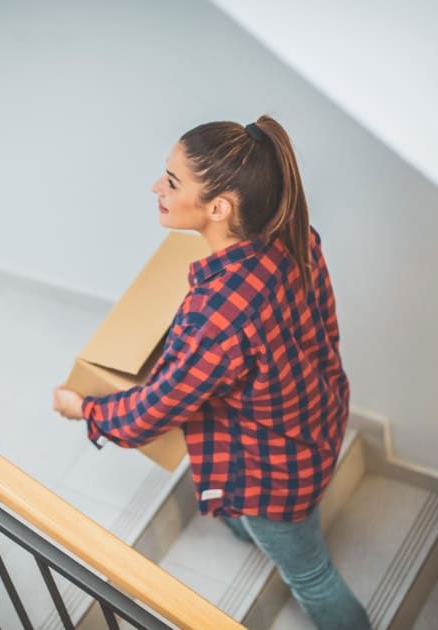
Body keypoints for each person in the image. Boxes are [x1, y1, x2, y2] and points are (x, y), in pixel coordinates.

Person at [52, 115, 370, 630]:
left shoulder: (215, 318)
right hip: (319, 420)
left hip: (272, 474)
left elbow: (150, 413)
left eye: (171, 181)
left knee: (312, 575)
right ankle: (251, 527)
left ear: (219, 207)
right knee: (271, 528)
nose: (156, 188)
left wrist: (84, 408)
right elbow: (325, 330)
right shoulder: (296, 237)